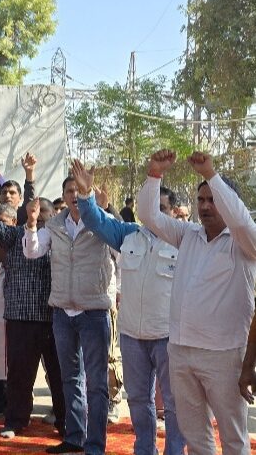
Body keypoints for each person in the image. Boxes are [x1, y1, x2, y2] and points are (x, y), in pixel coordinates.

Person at [138, 150, 255, 455]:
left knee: (233, 436)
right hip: (181, 349)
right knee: (194, 435)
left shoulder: (245, 242)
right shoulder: (188, 234)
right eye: (201, 200)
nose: (204, 206)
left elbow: (241, 222)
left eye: (212, 200)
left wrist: (210, 175)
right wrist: (154, 174)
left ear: (229, 202)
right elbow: (148, 216)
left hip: (224, 354)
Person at [70, 160, 185, 455]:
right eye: (150, 208)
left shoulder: (185, 240)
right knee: (138, 401)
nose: (154, 214)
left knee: (175, 403)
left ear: (173, 212)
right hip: (132, 335)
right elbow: (95, 221)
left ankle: (174, 451)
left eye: (161, 208)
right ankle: (144, 449)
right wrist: (85, 195)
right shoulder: (128, 234)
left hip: (170, 336)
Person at [0, 178, 66, 440]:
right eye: (34, 215)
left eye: (43, 216)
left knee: (60, 375)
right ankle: (16, 420)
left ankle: (66, 422)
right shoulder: (14, 236)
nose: (38, 220)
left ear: (54, 218)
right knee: (19, 375)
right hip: (20, 318)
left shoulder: (62, 240)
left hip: (56, 318)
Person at [23, 174, 116, 455]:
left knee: (97, 384)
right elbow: (32, 252)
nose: (74, 195)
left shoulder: (100, 222)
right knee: (70, 378)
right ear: (63, 196)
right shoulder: (54, 225)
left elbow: (121, 252)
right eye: (69, 191)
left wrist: (105, 213)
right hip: (63, 312)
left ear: (87, 193)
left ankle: (95, 445)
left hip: (94, 312)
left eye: (79, 190)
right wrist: (31, 224)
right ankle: (75, 437)